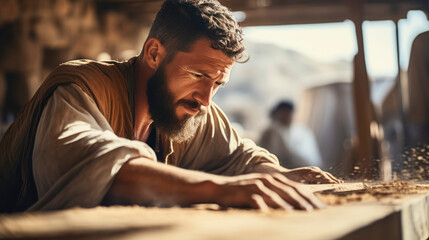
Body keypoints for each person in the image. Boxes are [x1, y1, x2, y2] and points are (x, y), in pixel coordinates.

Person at [0, 0, 341, 213]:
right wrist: (218, 189)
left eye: (218, 84)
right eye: (198, 75)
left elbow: (239, 159)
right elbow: (97, 166)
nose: (206, 99)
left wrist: (278, 177)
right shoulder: (81, 88)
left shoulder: (187, 108)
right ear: (153, 53)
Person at [260, 101, 323, 169]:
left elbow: (311, 156)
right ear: (278, 114)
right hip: (282, 168)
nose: (287, 116)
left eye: (289, 113)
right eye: (284, 113)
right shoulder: (271, 131)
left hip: (307, 167)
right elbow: (270, 154)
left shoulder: (303, 131)